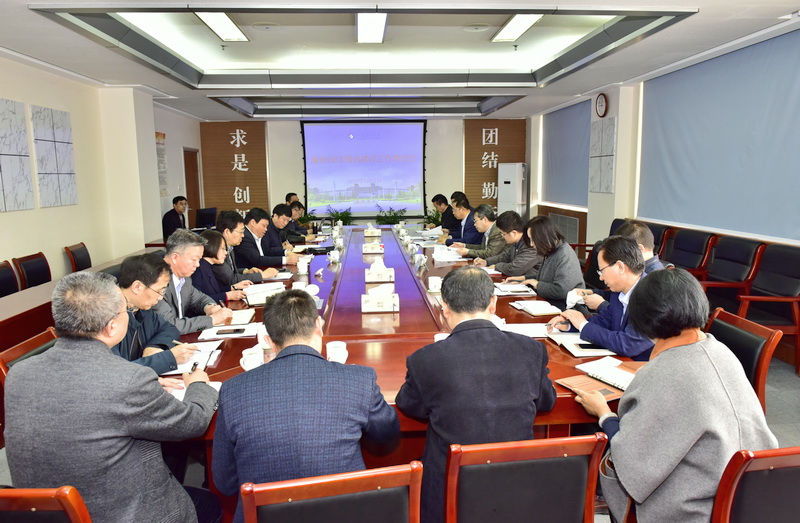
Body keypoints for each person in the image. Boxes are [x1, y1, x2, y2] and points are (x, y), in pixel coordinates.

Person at [5, 271, 219, 523]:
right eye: (125, 311)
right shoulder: (129, 380)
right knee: (212, 505)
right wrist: (198, 385)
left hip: (44, 514)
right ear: (111, 327)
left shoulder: (18, 373)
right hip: (119, 514)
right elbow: (193, 423)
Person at [573, 269, 777, 522]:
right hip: (750, 495)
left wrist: (604, 414)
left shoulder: (664, 371)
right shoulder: (723, 351)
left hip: (693, 507)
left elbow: (632, 460)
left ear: (642, 318)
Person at [212, 289, 399, 523]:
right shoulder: (358, 380)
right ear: (319, 326)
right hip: (344, 515)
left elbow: (225, 483)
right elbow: (386, 433)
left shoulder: (233, 390)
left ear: (268, 341)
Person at [395, 267, 556, 523]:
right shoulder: (531, 350)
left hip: (449, 493)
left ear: (444, 307)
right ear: (493, 303)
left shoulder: (425, 359)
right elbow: (547, 401)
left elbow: (408, 405)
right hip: (518, 484)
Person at [549, 235, 654, 360]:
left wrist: (583, 325)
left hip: (642, 366)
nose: (601, 278)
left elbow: (628, 344)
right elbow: (604, 321)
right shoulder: (618, 292)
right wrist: (570, 324)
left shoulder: (651, 295)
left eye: (602, 271)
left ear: (620, 267)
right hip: (620, 360)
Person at [114, 252, 198, 376]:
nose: (160, 298)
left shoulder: (141, 309)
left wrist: (155, 346)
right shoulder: (107, 318)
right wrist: (167, 358)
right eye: (159, 291)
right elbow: (117, 372)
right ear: (137, 287)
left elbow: (169, 328)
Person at [152, 229, 233, 334]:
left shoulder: (185, 278)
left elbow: (199, 298)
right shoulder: (155, 282)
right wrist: (212, 320)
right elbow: (169, 325)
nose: (198, 265)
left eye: (199, 260)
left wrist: (210, 307)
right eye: (194, 259)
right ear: (175, 258)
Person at [579, 220, 666, 311]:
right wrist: (590, 292)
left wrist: (601, 305)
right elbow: (616, 295)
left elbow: (631, 315)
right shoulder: (633, 270)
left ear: (639, 249)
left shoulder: (655, 282)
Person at [506, 215, 584, 301]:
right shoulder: (550, 251)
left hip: (564, 305)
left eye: (533, 240)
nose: (531, 244)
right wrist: (522, 279)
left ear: (544, 237)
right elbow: (544, 278)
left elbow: (562, 291)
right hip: (549, 301)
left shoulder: (565, 255)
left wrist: (537, 285)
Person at [212, 210, 278, 287]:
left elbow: (232, 271)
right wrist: (262, 275)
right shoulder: (216, 251)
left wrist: (245, 271)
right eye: (240, 232)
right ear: (227, 232)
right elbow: (231, 279)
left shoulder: (229, 247)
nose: (243, 235)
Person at [474, 211, 543, 277]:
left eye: (503, 234)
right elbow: (505, 256)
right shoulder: (516, 242)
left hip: (531, 283)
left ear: (514, 233)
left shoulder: (531, 245)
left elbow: (514, 269)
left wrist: (497, 267)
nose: (502, 237)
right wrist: (486, 262)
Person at [193, 230, 248, 304]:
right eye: (222, 248)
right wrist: (228, 296)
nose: (226, 252)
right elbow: (198, 301)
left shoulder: (207, 266)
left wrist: (233, 287)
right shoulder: (198, 269)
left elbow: (215, 292)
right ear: (212, 246)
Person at [234, 207, 298, 269]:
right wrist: (286, 260)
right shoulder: (245, 237)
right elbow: (258, 260)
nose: (266, 229)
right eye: (263, 226)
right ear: (253, 223)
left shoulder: (255, 235)